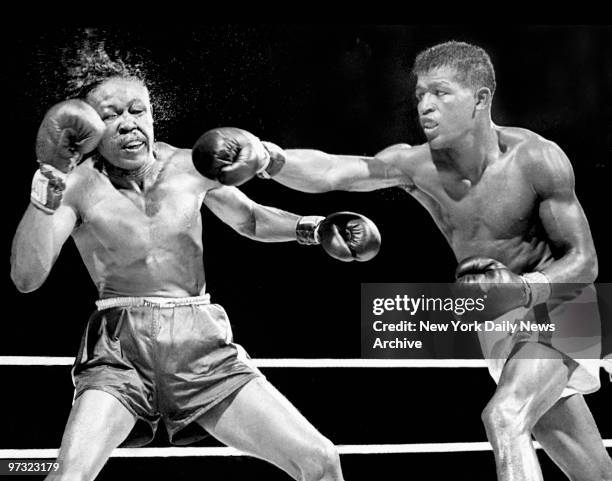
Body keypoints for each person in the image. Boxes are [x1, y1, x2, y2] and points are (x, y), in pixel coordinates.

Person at [203, 41, 612, 481]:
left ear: (481, 98)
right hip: (500, 319)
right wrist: (268, 158)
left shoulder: (535, 158)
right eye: (420, 95)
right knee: (591, 470)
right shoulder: (417, 165)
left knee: (506, 417)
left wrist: (524, 285)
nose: (426, 106)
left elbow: (584, 260)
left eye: (441, 93)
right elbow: (337, 171)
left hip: (561, 304)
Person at [10, 49, 382, 481]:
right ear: (89, 130)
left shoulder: (189, 165)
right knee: (68, 476)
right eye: (112, 116)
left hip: (201, 347)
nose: (130, 123)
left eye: (138, 110)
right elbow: (26, 278)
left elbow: (252, 219)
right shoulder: (75, 185)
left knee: (320, 461)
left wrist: (312, 228)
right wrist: (44, 199)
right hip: (120, 352)